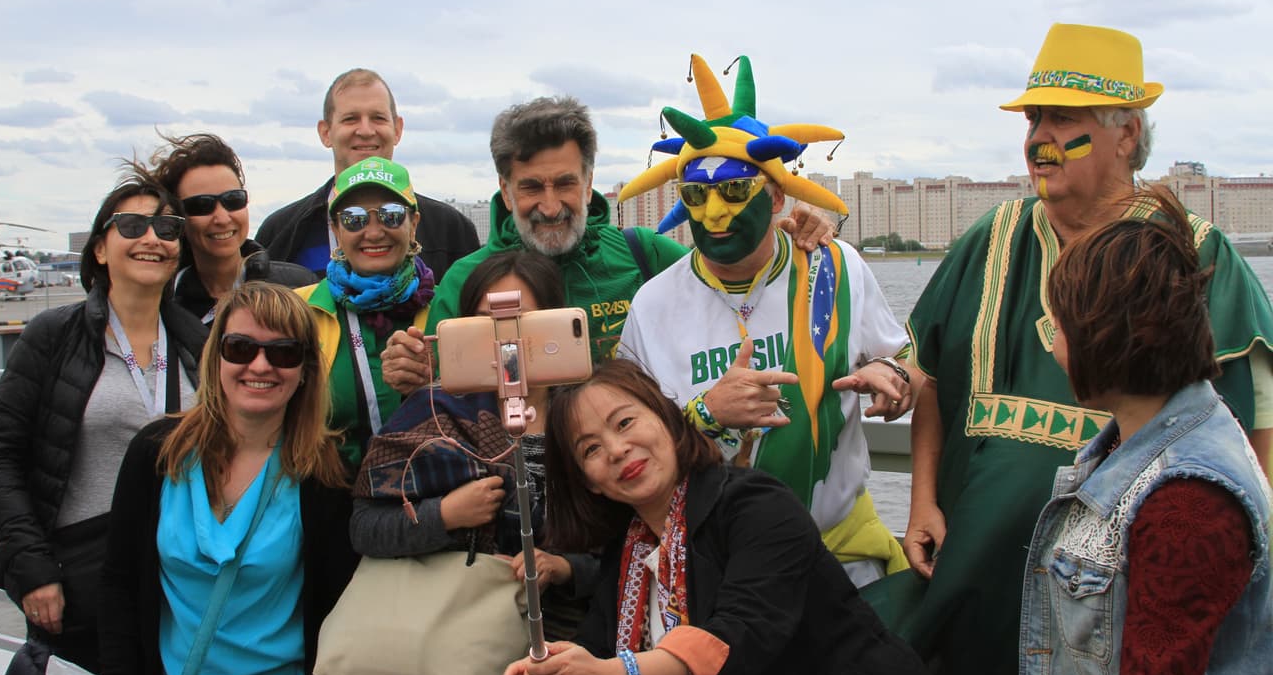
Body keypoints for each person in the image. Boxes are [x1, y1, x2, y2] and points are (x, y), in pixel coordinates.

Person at [870, 23, 1273, 675]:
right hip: (974, 582)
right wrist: (922, 501)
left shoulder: (1193, 253)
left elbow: (1257, 418)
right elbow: (930, 374)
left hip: (1123, 607)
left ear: (1126, 133)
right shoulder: (992, 237)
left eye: (1063, 119)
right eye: (1034, 119)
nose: (1039, 139)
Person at [503, 359, 964, 675]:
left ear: (667, 419)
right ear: (589, 483)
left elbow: (740, 636)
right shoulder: (630, 546)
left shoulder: (757, 506)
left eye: (625, 423)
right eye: (591, 449)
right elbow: (598, 650)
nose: (617, 449)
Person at [617, 54, 912, 587]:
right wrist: (707, 414)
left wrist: (894, 377)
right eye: (695, 195)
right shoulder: (653, 305)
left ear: (776, 196)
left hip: (840, 556)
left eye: (734, 190)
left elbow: (907, 361)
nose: (714, 213)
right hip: (719, 566)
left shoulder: (835, 267)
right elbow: (627, 442)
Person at [384, 94, 837, 394]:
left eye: (565, 183)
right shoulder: (466, 279)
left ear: (588, 184)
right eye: (531, 187)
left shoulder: (646, 254)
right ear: (505, 190)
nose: (550, 206)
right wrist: (413, 374)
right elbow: (437, 393)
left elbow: (736, 280)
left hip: (635, 481)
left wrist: (789, 231)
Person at [1020, 186, 1272, 675]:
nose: (1051, 343)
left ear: (1103, 336)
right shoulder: (1151, 438)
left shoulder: (1188, 503)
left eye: (1059, 326)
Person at [351, 251, 599, 675]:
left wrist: (566, 568)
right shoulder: (435, 412)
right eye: (488, 323)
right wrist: (443, 515)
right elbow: (365, 528)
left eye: (523, 320)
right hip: (439, 658)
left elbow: (637, 540)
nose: (507, 339)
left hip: (565, 665)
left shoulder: (592, 415)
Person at [99, 282, 357, 675]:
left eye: (284, 352)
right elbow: (119, 582)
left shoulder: (326, 479)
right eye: (240, 348)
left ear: (306, 369)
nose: (260, 365)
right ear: (215, 356)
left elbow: (338, 619)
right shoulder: (157, 453)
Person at [0, 171, 207, 673]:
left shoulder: (199, 344)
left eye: (167, 229)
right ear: (99, 249)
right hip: (81, 576)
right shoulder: (54, 336)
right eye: (131, 226)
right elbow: (0, 453)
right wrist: (31, 565)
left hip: (180, 577)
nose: (152, 238)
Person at [255, 67, 480, 281]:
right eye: (350, 119)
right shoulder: (281, 232)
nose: (365, 131)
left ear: (397, 129)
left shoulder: (450, 229)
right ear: (325, 132)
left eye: (378, 118)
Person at [295, 156, 435, 468]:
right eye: (354, 218)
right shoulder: (300, 311)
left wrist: (436, 383)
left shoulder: (446, 309)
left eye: (391, 215)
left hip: (432, 492)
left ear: (413, 224)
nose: (373, 233)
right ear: (335, 229)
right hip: (326, 489)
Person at [149, 132, 315, 322]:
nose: (222, 218)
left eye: (233, 200)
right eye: (201, 205)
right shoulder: (163, 303)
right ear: (178, 219)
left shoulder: (300, 288)